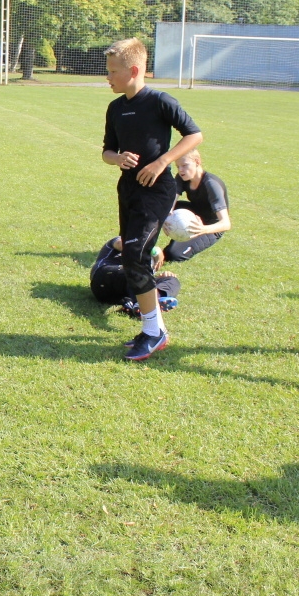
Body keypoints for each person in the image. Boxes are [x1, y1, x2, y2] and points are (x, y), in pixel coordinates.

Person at [102, 37, 202, 361]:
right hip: (127, 189)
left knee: (134, 255)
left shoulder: (160, 101)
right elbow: (106, 151)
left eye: (113, 71)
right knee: (134, 259)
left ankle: (153, 332)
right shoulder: (115, 108)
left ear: (133, 70)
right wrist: (117, 159)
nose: (108, 77)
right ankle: (153, 329)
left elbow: (194, 134)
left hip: (157, 191)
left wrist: (162, 162)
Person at [163, 149, 231, 262]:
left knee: (172, 254)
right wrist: (164, 219)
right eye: (178, 166)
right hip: (194, 213)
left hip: (210, 226)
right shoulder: (181, 177)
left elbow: (226, 224)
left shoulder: (211, 184)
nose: (180, 170)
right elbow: (170, 203)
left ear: (197, 162)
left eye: (184, 165)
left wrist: (202, 229)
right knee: (159, 208)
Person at [90, 237, 180, 320]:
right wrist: (155, 250)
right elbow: (126, 246)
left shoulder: (150, 258)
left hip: (123, 294)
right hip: (104, 278)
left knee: (172, 279)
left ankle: (155, 298)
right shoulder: (119, 241)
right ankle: (147, 304)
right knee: (135, 273)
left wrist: (163, 277)